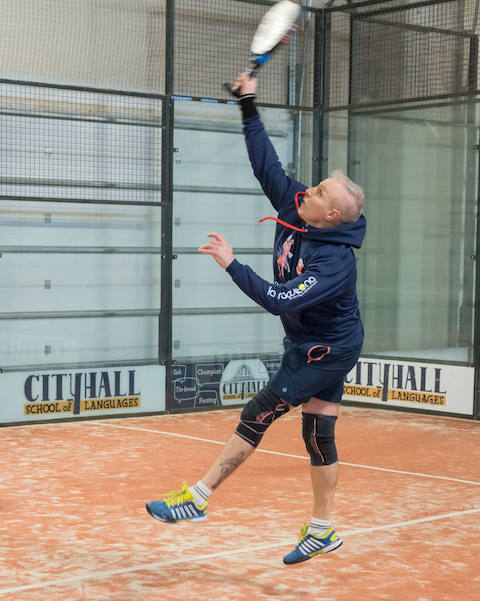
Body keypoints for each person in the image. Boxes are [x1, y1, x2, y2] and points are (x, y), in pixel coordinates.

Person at [146, 73, 367, 565]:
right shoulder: (298, 209)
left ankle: (197, 499)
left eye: (320, 191)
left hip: (326, 350)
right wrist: (248, 104)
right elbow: (265, 162)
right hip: (309, 342)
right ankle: (324, 530)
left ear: (332, 215)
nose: (307, 189)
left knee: (258, 412)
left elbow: (279, 299)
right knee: (318, 435)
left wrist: (231, 263)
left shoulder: (334, 262)